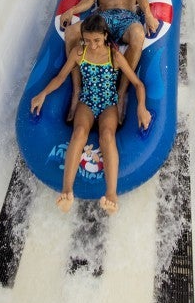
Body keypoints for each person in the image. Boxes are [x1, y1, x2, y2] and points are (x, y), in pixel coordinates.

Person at [30, 14, 149, 216]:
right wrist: (43, 94)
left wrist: (141, 108)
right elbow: (60, 77)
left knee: (107, 135)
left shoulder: (115, 56)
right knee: (79, 132)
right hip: (87, 100)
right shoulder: (79, 53)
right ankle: (67, 191)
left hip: (109, 103)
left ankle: (111, 194)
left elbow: (137, 84)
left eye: (96, 40)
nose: (92, 45)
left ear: (105, 36)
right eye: (87, 40)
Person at [59, 0, 159, 124]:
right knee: (72, 32)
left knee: (138, 34)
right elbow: (89, 1)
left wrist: (149, 15)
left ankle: (121, 93)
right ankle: (77, 90)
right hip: (103, 17)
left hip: (126, 17)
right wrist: (71, 10)